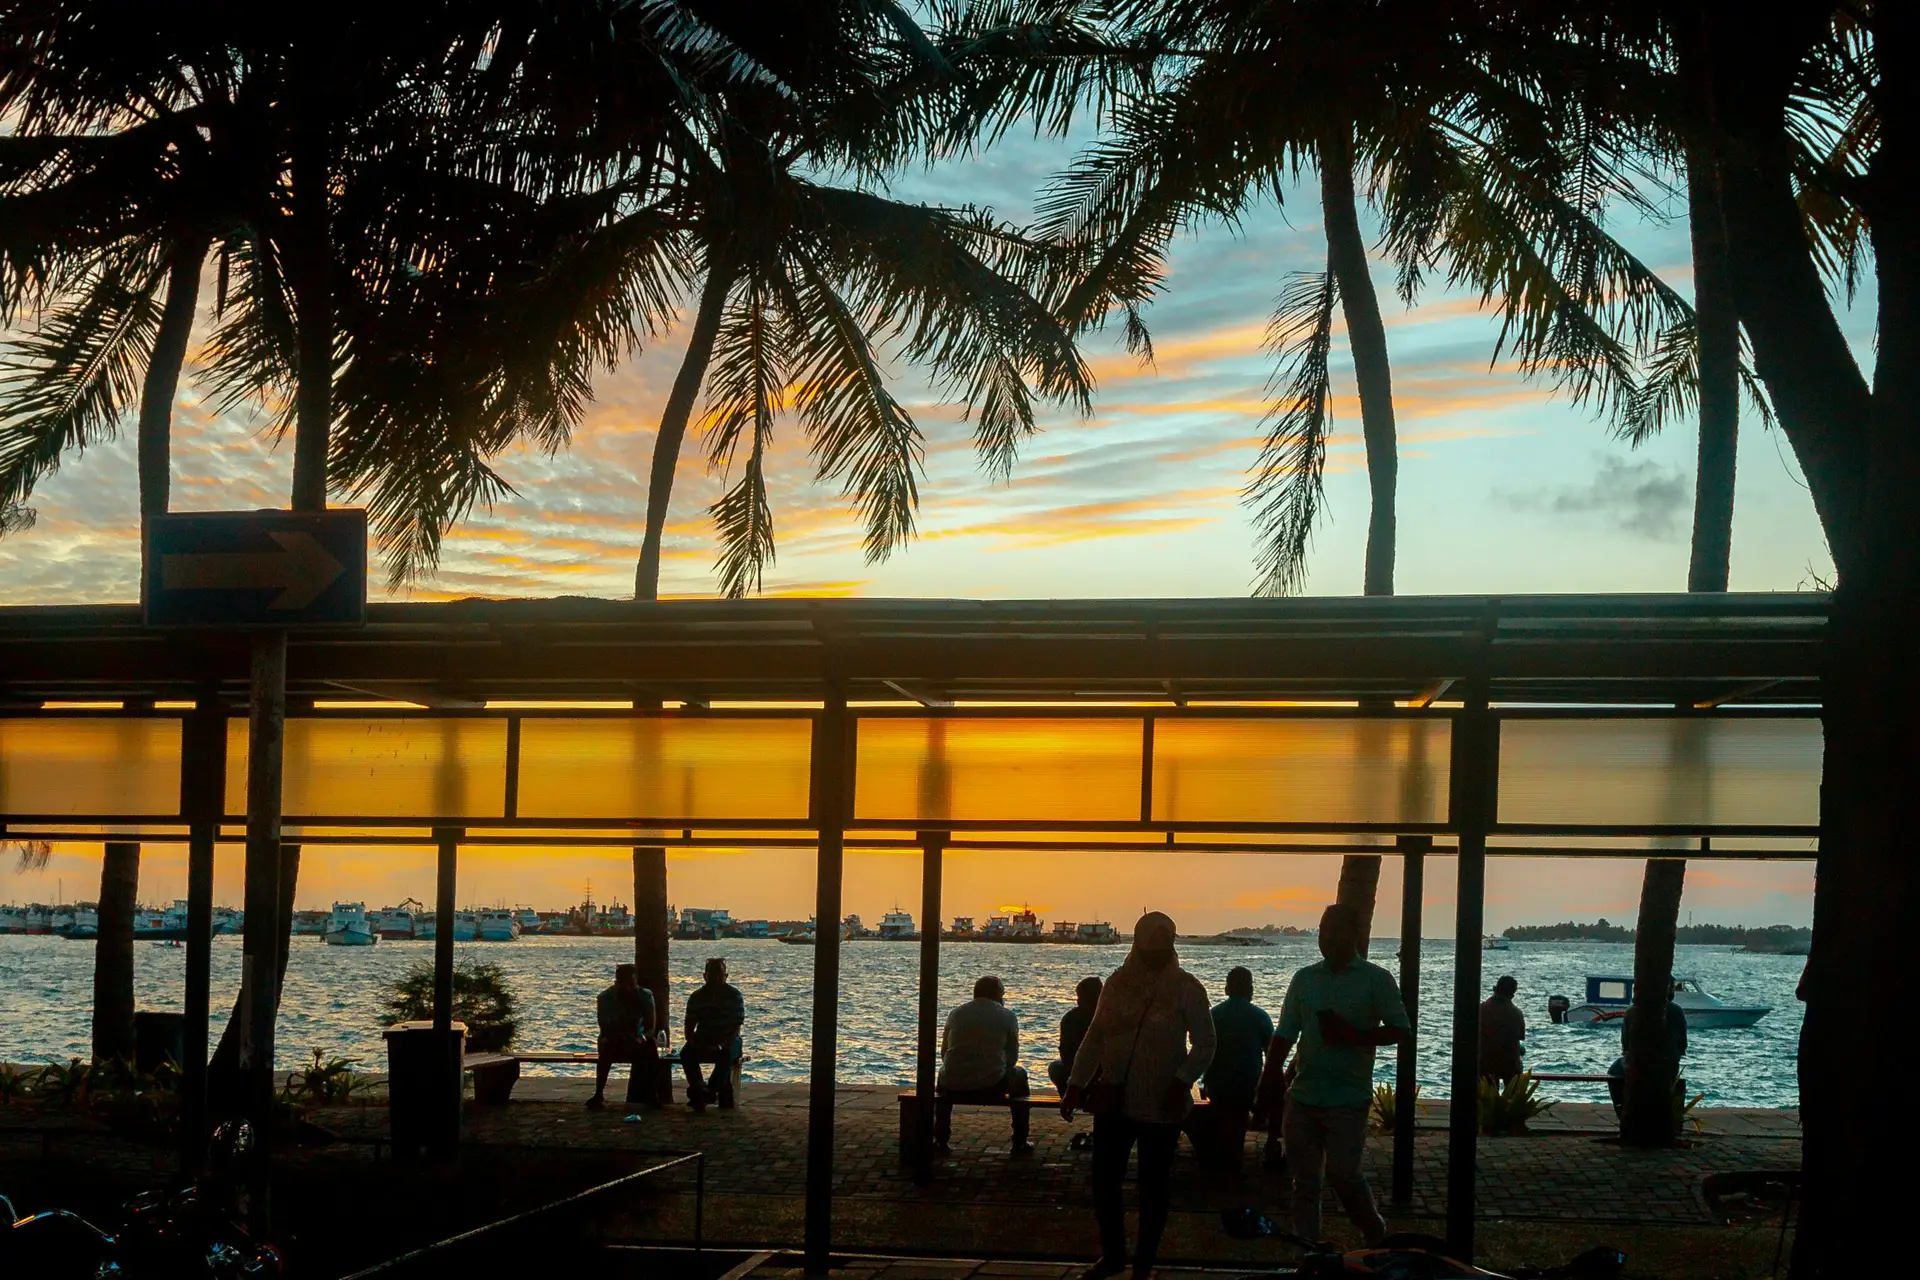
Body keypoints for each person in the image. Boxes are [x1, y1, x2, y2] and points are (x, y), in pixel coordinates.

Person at [1063, 912, 1216, 1280]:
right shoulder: (1116, 984)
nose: (1159, 954)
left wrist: (1181, 1083)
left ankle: (1144, 1263)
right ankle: (1113, 1255)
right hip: (1115, 1097)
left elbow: (1206, 1044)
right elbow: (1096, 1036)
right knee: (1104, 1181)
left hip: (1162, 1104)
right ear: (1138, 944)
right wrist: (1075, 1084)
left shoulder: (1186, 988)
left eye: (1165, 945)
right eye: (1152, 947)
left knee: (1154, 1186)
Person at [1267, 903, 1410, 1247]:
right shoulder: (1305, 979)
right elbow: (1286, 1032)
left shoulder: (1376, 979)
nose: (1328, 938)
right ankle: (1308, 1254)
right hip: (1302, 1096)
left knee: (1344, 1175)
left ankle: (1374, 1232)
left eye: (1336, 931)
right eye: (1323, 930)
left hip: (1348, 1098)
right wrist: (1269, 1075)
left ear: (1355, 935)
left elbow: (1400, 1029)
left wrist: (1356, 1037)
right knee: (1304, 1184)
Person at [935, 975, 1032, 1155]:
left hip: (954, 1084)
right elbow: (1012, 1058)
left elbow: (944, 1052)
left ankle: (941, 1137)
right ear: (998, 995)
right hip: (992, 1085)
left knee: (943, 1076)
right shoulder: (1008, 1016)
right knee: (1021, 1075)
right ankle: (1020, 1139)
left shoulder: (956, 1013)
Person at [1191, 966, 1272, 1169]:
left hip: (1217, 1087)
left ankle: (1218, 1152)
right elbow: (1272, 1056)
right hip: (1249, 1087)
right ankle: (1269, 1143)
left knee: (1224, 1112)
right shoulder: (1260, 1017)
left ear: (1226, 989)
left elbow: (1199, 1048)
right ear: (1250, 990)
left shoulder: (1214, 1015)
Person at [1608, 980, 1689, 1114]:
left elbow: (1626, 1044)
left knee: (1614, 1071)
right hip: (1668, 1065)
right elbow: (1682, 1044)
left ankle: (1621, 1109)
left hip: (1637, 1064)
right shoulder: (1676, 1011)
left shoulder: (1631, 1012)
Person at [588, 963, 657, 1110]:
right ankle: (599, 1093)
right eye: (625, 985)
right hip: (614, 1038)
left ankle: (652, 1093)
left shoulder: (645, 996)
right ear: (617, 983)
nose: (629, 989)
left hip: (637, 1039)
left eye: (632, 984)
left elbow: (651, 1027)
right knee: (605, 1044)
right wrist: (619, 1036)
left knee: (651, 1046)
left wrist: (641, 1038)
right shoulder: (606, 997)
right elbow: (604, 1026)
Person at [682, 957, 745, 1112]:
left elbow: (735, 1028)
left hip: (729, 1039)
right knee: (686, 1053)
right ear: (705, 976)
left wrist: (720, 1045)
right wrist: (693, 1042)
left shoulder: (734, 996)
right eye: (712, 975)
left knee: (726, 1054)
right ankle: (698, 1087)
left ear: (726, 976)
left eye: (719, 975)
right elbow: (689, 1025)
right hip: (704, 1036)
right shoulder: (696, 997)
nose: (716, 979)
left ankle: (709, 1090)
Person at [1050, 976, 1104, 1092]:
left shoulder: (1070, 1018)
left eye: (1080, 997)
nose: (1077, 1001)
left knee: (1055, 1067)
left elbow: (1065, 1052)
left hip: (1079, 1069)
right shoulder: (1110, 1016)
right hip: (1102, 1071)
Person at [1479, 975, 1526, 1085]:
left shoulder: (1481, 1010)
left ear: (1495, 988)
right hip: (1509, 1065)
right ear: (1512, 994)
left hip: (1485, 1064)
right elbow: (1520, 1038)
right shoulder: (1517, 1013)